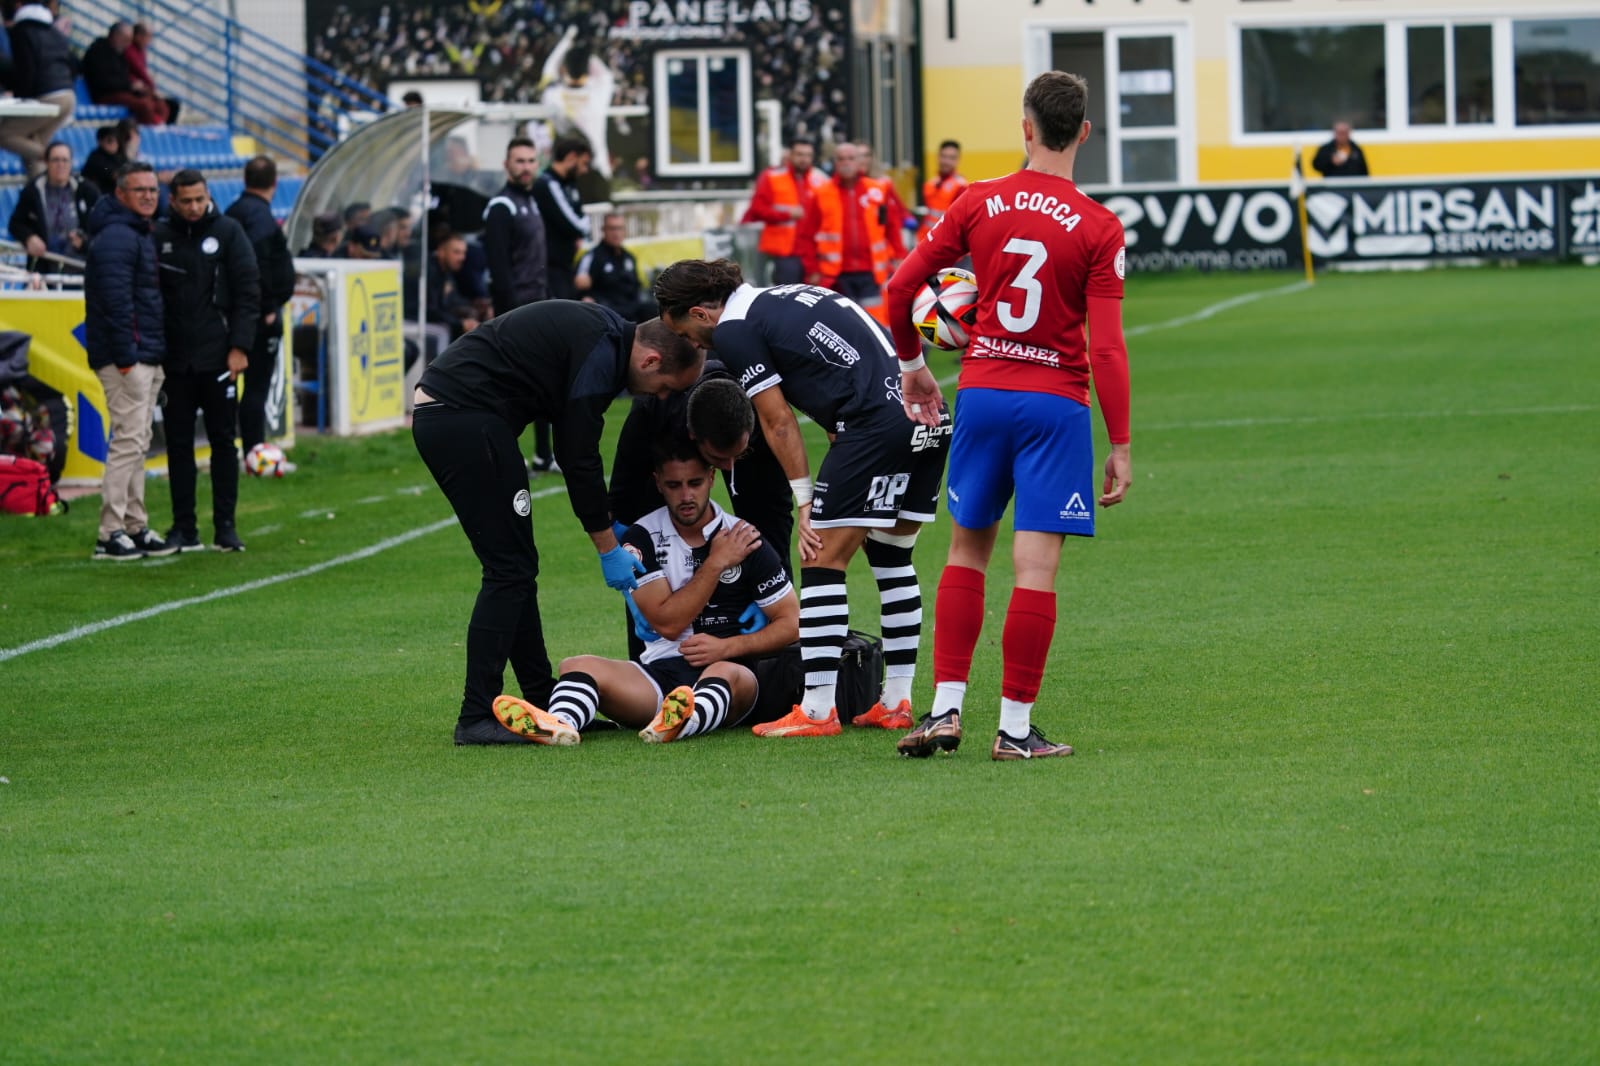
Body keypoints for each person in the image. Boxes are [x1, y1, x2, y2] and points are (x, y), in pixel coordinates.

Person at [885, 70, 1132, 762]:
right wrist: (1122, 444)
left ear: (1026, 128)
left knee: (966, 552)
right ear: (1083, 132)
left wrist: (912, 368)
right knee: (1034, 570)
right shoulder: (1099, 226)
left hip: (983, 394)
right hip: (1055, 404)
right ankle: (1015, 731)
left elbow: (902, 288)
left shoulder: (977, 200)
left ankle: (942, 713)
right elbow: (1106, 349)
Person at [654, 258, 952, 737]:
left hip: (875, 424)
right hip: (929, 419)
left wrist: (806, 501)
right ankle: (895, 701)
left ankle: (816, 710)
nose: (689, 343)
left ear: (701, 312)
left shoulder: (734, 329)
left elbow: (776, 421)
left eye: (685, 331)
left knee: (820, 560)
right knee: (893, 558)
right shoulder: (787, 295)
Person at [411, 304, 703, 745]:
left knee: (517, 566)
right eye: (664, 389)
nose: (659, 398)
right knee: (508, 569)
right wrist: (608, 547)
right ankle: (475, 715)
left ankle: (542, 697)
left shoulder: (604, 336)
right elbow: (577, 456)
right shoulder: (602, 354)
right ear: (650, 361)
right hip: (462, 419)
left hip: (465, 418)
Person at [492, 438, 800, 745]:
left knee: (723, 672)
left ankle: (684, 721)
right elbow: (668, 623)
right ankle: (559, 725)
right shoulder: (643, 537)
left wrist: (728, 647)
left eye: (694, 483)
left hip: (734, 674)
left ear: (711, 478)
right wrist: (716, 562)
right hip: (660, 675)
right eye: (674, 485)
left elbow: (793, 623)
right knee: (576, 666)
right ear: (658, 483)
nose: (686, 495)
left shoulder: (743, 537)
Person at [155, 169, 260, 553]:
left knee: (223, 443)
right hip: (176, 363)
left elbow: (249, 292)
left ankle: (225, 527)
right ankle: (184, 527)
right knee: (179, 446)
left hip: (219, 359)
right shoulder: (160, 237)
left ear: (208, 195)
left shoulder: (230, 232)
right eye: (187, 201)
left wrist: (240, 347)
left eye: (200, 199)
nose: (195, 207)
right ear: (174, 201)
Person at [83, 161, 177, 561]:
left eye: (153, 190)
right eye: (140, 190)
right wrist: (127, 358)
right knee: (128, 441)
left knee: (138, 442)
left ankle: (135, 525)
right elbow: (115, 303)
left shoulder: (135, 232)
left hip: (145, 354)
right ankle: (110, 531)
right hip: (129, 358)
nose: (149, 197)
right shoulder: (117, 237)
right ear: (120, 194)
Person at [482, 136, 554, 471]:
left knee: (542, 382)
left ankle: (543, 454)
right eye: (519, 161)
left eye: (530, 161)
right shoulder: (501, 206)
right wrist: (511, 315)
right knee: (513, 387)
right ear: (506, 165)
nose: (526, 167)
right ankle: (499, 451)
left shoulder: (532, 201)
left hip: (537, 305)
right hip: (516, 313)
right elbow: (499, 268)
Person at [225, 155, 296, 456]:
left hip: (232, 313)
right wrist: (268, 307)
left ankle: (237, 448)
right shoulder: (262, 220)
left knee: (233, 388)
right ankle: (254, 451)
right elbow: (256, 266)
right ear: (275, 183)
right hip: (257, 317)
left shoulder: (232, 212)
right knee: (256, 387)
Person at [801, 142, 895, 318]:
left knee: (875, 322)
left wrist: (898, 257)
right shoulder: (822, 193)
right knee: (844, 323)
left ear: (859, 161)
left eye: (851, 158)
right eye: (841, 159)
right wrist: (812, 269)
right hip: (836, 275)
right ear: (835, 163)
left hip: (872, 272)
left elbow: (891, 227)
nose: (846, 163)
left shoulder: (877, 189)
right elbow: (807, 236)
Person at [0, 0, 77, 180]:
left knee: (4, 134)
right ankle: (41, 195)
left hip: (48, 96)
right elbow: (73, 64)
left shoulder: (22, 31)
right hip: (68, 95)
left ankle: (56, 158)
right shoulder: (54, 32)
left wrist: (19, 97)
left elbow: (27, 69)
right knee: (32, 146)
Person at [741, 135, 826, 285]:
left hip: (814, 252)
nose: (804, 159)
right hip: (785, 252)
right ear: (790, 155)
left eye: (808, 155)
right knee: (787, 297)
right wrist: (786, 214)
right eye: (799, 154)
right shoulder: (772, 177)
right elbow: (757, 209)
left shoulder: (820, 179)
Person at [7, 140, 97, 272]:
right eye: (55, 160)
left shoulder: (87, 190)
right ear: (46, 162)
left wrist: (85, 243)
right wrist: (29, 238)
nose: (60, 165)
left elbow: (102, 227)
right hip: (44, 269)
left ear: (71, 163)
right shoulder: (33, 191)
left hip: (81, 269)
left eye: (65, 160)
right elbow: (15, 224)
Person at [533, 133, 592, 300]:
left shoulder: (569, 184)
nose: (585, 170)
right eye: (584, 163)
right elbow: (575, 224)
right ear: (572, 157)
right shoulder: (548, 183)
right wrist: (581, 229)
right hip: (550, 267)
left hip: (566, 265)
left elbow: (581, 216)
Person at [81, 21, 168, 125]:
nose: (128, 44)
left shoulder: (119, 53)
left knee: (159, 104)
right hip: (105, 95)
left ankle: (157, 129)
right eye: (126, 39)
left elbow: (123, 77)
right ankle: (150, 132)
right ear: (116, 36)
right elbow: (104, 81)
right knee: (144, 105)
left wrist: (138, 88)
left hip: (120, 92)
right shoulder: (98, 52)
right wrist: (130, 86)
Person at [574, 213, 649, 321]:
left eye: (620, 228)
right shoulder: (592, 257)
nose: (616, 233)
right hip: (607, 311)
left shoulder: (629, 258)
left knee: (654, 310)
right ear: (603, 230)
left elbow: (637, 288)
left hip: (631, 309)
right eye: (612, 228)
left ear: (624, 231)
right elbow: (580, 287)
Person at [414, 231, 479, 340]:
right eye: (456, 252)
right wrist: (460, 324)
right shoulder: (429, 272)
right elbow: (430, 311)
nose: (462, 258)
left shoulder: (447, 272)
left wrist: (474, 306)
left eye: (463, 253)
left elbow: (453, 300)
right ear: (441, 252)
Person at [123, 23, 179, 125]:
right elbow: (139, 71)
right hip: (132, 90)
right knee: (155, 105)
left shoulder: (140, 51)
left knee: (169, 104)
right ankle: (157, 128)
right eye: (148, 36)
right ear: (138, 36)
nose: (149, 40)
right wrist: (151, 87)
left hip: (140, 89)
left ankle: (161, 129)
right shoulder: (129, 50)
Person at [917, 139, 969, 245]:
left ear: (957, 160)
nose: (946, 161)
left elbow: (959, 223)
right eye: (943, 156)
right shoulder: (931, 184)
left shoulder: (961, 186)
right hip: (926, 240)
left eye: (951, 158)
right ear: (938, 157)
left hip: (945, 245)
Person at [80, 124, 124, 196]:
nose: (114, 143)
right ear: (100, 141)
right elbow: (114, 175)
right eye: (110, 140)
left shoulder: (118, 157)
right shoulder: (95, 158)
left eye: (117, 140)